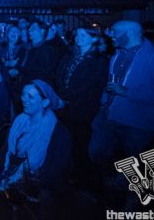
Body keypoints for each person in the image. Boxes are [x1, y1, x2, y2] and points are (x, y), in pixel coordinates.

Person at [88, 21, 154, 168]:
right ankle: (110, 187)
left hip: (139, 126)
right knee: (99, 158)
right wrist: (104, 101)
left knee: (138, 169)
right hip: (111, 118)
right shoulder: (116, 55)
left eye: (115, 32)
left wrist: (128, 92)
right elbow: (113, 84)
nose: (110, 36)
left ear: (131, 33)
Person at [0, 80, 71, 219]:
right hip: (10, 180)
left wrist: (17, 186)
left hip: (39, 192)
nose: (23, 99)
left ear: (45, 103)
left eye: (30, 96)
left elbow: (52, 175)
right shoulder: (19, 121)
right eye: (23, 94)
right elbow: (5, 150)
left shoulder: (59, 134)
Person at [54, 27, 108, 187]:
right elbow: (58, 75)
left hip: (84, 108)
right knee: (69, 143)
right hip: (66, 107)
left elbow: (92, 86)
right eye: (77, 35)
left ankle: (87, 180)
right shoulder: (69, 55)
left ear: (93, 39)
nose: (78, 37)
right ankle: (73, 174)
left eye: (83, 35)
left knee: (83, 143)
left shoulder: (99, 60)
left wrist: (68, 97)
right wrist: (62, 96)